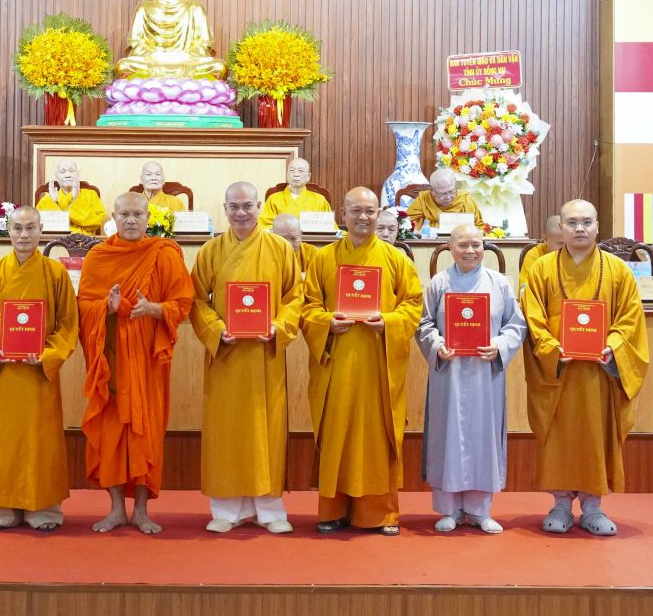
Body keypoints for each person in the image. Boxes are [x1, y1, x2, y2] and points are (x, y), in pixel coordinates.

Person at [519, 199, 650, 537]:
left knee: (596, 435)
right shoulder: (542, 268)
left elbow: (630, 317)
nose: (580, 229)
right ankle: (561, 504)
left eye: (586, 222)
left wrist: (614, 346)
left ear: (597, 226)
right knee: (559, 436)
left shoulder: (618, 270)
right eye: (572, 222)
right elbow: (532, 317)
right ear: (561, 227)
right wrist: (550, 348)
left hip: (598, 374)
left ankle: (593, 507)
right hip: (559, 372)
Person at [300, 188, 425, 536]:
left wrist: (389, 322)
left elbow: (413, 304)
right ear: (343, 214)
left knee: (376, 438)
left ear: (378, 213)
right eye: (356, 211)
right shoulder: (323, 258)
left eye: (370, 211)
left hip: (378, 365)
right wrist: (327, 323)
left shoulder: (396, 259)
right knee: (337, 433)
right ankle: (333, 510)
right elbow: (308, 307)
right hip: (337, 365)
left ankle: (379, 514)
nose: (363, 217)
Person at [189, 182, 302, 534]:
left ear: (259, 207)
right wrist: (217, 329)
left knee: (266, 431)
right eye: (234, 206)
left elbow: (295, 297)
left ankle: (270, 510)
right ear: (225, 209)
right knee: (227, 433)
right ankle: (226, 510)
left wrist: (278, 327)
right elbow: (196, 300)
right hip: (227, 356)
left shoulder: (279, 248)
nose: (241, 213)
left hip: (265, 357)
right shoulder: (210, 251)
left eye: (247, 206)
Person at [77, 192, 194, 534]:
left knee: (147, 430)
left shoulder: (163, 254)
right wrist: (107, 308)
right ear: (113, 218)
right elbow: (83, 304)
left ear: (148, 218)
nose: (131, 220)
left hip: (148, 359)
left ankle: (142, 510)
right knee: (112, 431)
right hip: (111, 360)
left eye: (138, 214)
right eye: (124, 214)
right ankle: (116, 509)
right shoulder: (98, 256)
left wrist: (155, 309)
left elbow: (183, 301)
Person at [0, 206, 79, 531]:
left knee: (40, 440)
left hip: (39, 373)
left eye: (31, 228)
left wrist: (48, 354)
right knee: (3, 440)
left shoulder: (56, 273)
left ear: (41, 230)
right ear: (8, 231)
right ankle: (0, 506)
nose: (24, 235)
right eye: (17, 228)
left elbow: (68, 324)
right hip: (4, 373)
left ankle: (43, 508)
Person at [416, 224, 527, 534]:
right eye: (463, 245)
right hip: (448, 374)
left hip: (484, 374)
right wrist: (437, 345)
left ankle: (480, 510)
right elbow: (424, 325)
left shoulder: (499, 283)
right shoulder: (439, 283)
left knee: (483, 437)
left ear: (484, 247)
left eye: (476, 245)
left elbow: (516, 325)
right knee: (447, 436)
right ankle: (448, 510)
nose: (470, 251)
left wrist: (500, 345)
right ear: (451, 249)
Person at [113, 0, 226, 80]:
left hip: (186, 60)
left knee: (219, 67)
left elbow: (204, 44)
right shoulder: (144, 7)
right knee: (123, 67)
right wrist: (155, 55)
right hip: (154, 60)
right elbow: (136, 43)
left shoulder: (195, 7)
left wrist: (185, 55)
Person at [36, 158, 107, 235]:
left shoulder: (91, 195)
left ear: (78, 174)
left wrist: (75, 199)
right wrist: (55, 202)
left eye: (71, 171)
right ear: (56, 177)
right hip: (54, 242)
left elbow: (97, 222)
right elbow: (40, 226)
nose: (68, 175)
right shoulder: (46, 200)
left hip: (84, 241)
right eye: (62, 172)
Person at [259, 158, 333, 227]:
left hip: (311, 237)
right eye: (292, 170)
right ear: (287, 174)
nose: (296, 175)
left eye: (300, 171)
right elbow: (265, 226)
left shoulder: (320, 200)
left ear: (308, 176)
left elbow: (329, 227)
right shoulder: (273, 199)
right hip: (281, 237)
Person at [405, 169, 487, 231]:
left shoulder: (464, 198)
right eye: (443, 194)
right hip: (433, 240)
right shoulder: (424, 198)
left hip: (461, 241)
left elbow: (478, 225)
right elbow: (409, 224)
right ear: (432, 191)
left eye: (452, 191)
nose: (448, 197)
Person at [518, 214, 565, 279]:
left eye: (569, 242)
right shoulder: (534, 255)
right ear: (545, 240)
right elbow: (526, 284)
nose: (566, 247)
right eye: (560, 243)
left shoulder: (574, 253)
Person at [270, 212, 316, 278]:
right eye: (283, 239)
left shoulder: (311, 253)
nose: (289, 245)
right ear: (272, 235)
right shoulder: (264, 254)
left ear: (300, 234)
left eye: (294, 238)